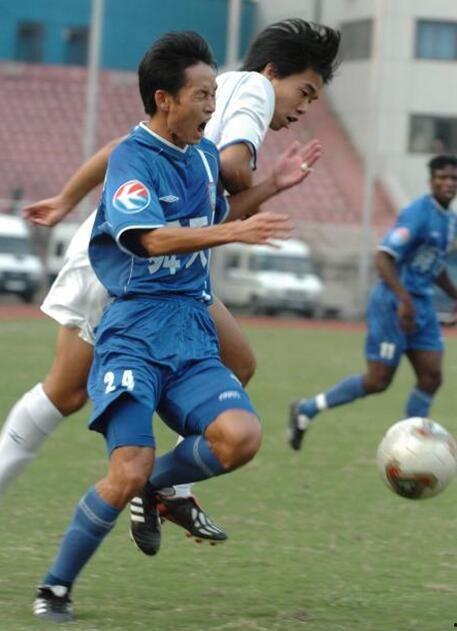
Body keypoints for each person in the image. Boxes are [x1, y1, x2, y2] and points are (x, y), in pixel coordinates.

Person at [0, 19, 340, 543]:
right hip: (125, 261)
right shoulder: (252, 90)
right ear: (274, 73)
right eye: (305, 92)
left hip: (174, 272)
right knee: (64, 393)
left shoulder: (208, 99)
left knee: (238, 362)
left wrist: (68, 197)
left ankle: (162, 487)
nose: (303, 109)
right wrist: (247, 180)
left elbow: (128, 147)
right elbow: (232, 169)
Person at [32, 30, 300, 621]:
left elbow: (217, 216)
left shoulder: (202, 156)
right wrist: (233, 233)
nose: (212, 107)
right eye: (202, 95)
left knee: (241, 437)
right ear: (164, 99)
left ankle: (156, 485)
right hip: (133, 334)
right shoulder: (133, 159)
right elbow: (149, 239)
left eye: (213, 95)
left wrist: (272, 187)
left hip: (190, 331)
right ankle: (54, 588)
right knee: (124, 470)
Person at [288, 154, 457, 450]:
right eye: (442, 177)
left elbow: (435, 264)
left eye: (453, 178)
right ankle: (307, 408)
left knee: (431, 376)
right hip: (393, 303)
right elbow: (383, 257)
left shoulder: (450, 220)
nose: (448, 183)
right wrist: (403, 300)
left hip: (422, 305)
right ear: (431, 181)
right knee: (378, 381)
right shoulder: (417, 214)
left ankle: (412, 444)